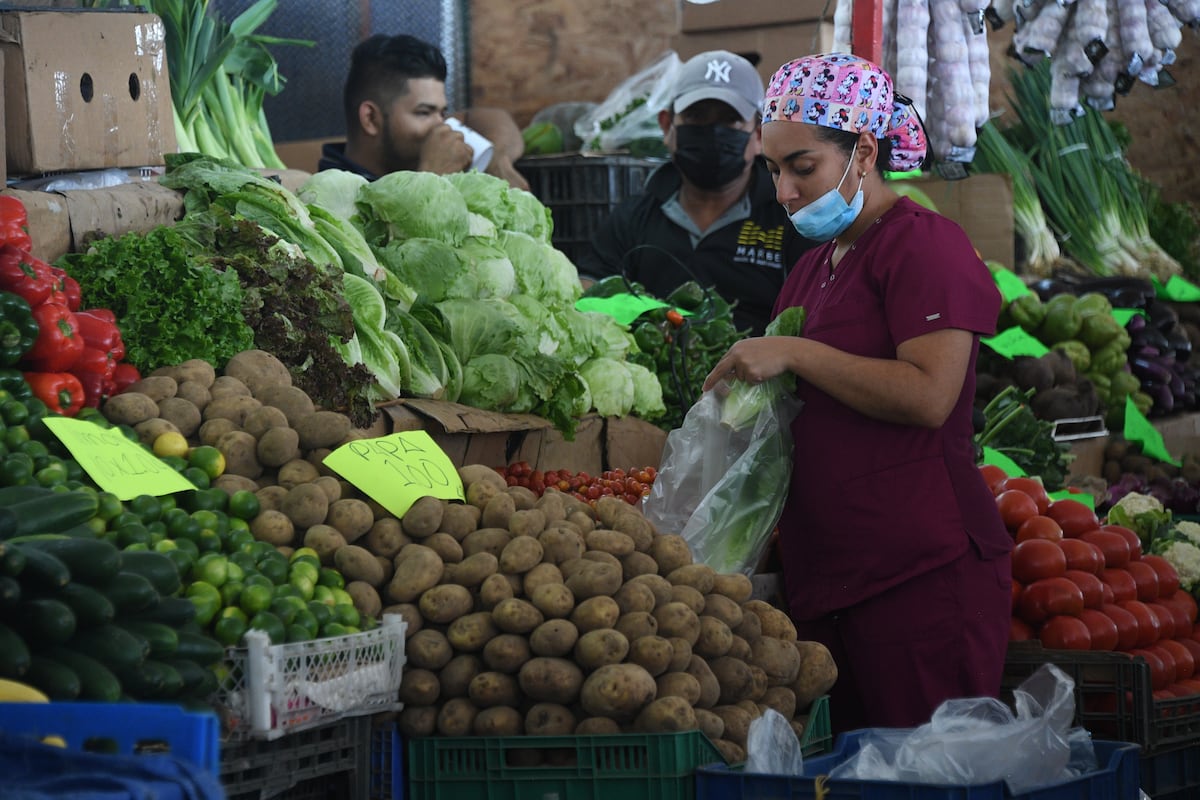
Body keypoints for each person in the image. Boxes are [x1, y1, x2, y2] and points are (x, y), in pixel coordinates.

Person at [703, 53, 1013, 734]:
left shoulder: (925, 247)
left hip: (919, 578)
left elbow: (931, 395)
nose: (783, 192)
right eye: (774, 170)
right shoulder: (814, 266)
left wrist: (795, 351)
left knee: (923, 776)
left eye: (802, 167)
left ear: (864, 151)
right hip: (832, 575)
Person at [575, 50, 816, 335]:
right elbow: (588, 290)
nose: (712, 132)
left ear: (759, 135)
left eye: (729, 120)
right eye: (696, 117)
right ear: (667, 126)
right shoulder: (635, 216)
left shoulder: (791, 218)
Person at [319, 33, 529, 190]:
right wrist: (431, 176)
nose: (442, 126)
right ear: (370, 119)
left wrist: (497, 159)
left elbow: (492, 117)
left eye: (442, 112)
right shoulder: (332, 196)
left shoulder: (414, 149)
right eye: (424, 112)